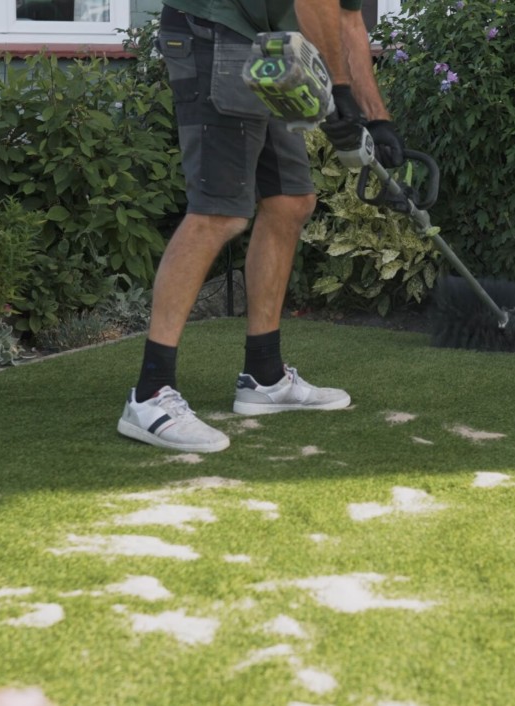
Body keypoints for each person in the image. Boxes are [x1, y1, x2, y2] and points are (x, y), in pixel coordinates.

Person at [116, 0, 404, 453]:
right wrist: (338, 90)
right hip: (213, 28)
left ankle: (264, 377)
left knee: (290, 201)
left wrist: (377, 118)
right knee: (219, 211)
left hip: (268, 44)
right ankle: (150, 394)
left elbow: (348, 18)